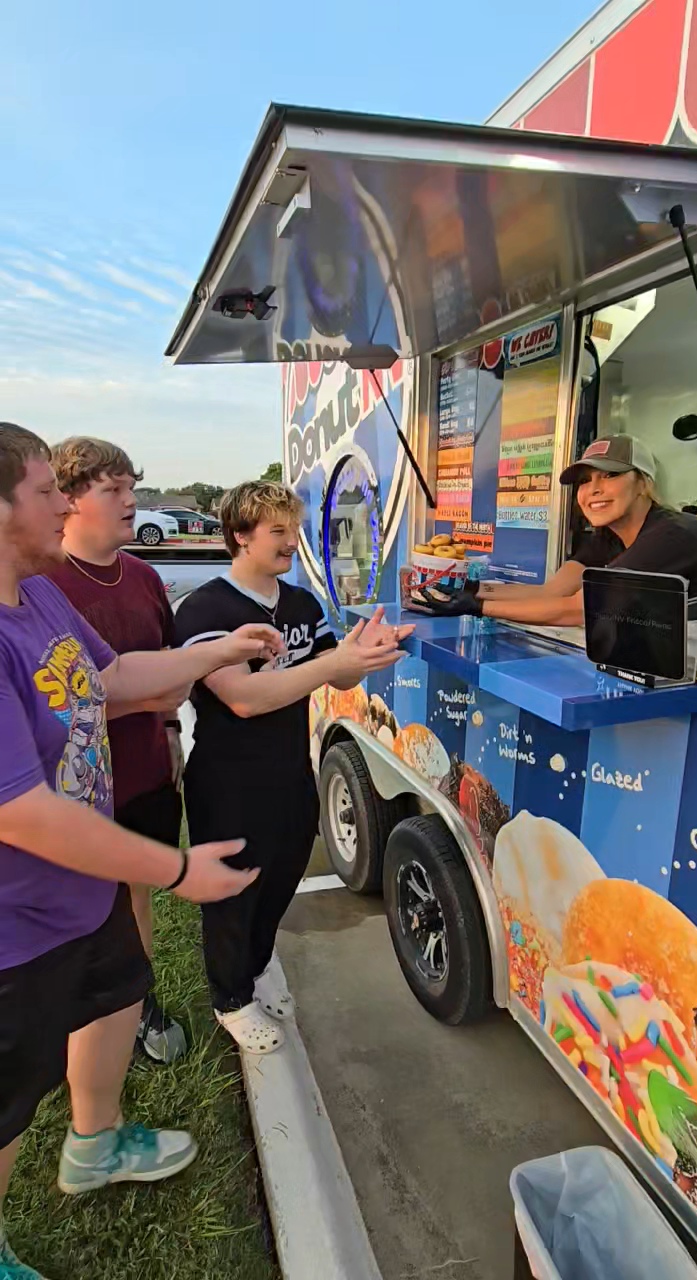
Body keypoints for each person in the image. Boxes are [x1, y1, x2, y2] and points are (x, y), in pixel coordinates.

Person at [0, 423, 283, 1280]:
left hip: (81, 895)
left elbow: (113, 677)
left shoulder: (38, 592)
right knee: (7, 1109)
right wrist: (174, 868)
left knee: (117, 1002)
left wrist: (213, 655)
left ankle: (95, 1144)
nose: (66, 503)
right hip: (18, 925)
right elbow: (22, 812)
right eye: (48, 490)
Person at [174, 480, 412, 1054]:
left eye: (294, 529)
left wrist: (361, 654)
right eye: (277, 531)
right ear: (240, 536)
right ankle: (229, 1000)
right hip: (228, 780)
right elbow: (245, 698)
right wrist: (335, 660)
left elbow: (339, 676)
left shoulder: (301, 602)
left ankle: (253, 972)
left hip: (290, 771)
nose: (290, 542)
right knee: (234, 892)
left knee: (282, 876)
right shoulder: (206, 607)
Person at [48, 436, 187, 1064]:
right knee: (82, 915)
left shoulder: (146, 575)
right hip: (71, 792)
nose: (133, 501)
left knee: (136, 898)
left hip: (147, 773)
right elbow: (59, 706)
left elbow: (170, 671)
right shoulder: (39, 584)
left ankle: (139, 1003)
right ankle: (83, 1026)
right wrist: (143, 695)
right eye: (114, 490)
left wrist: (169, 731)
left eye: (133, 487)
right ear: (70, 498)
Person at [422, 435, 697, 628]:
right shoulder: (607, 536)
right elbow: (551, 592)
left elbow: (581, 609)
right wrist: (470, 590)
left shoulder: (672, 535)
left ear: (644, 483)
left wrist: (478, 607)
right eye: (585, 480)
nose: (594, 490)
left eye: (610, 475)